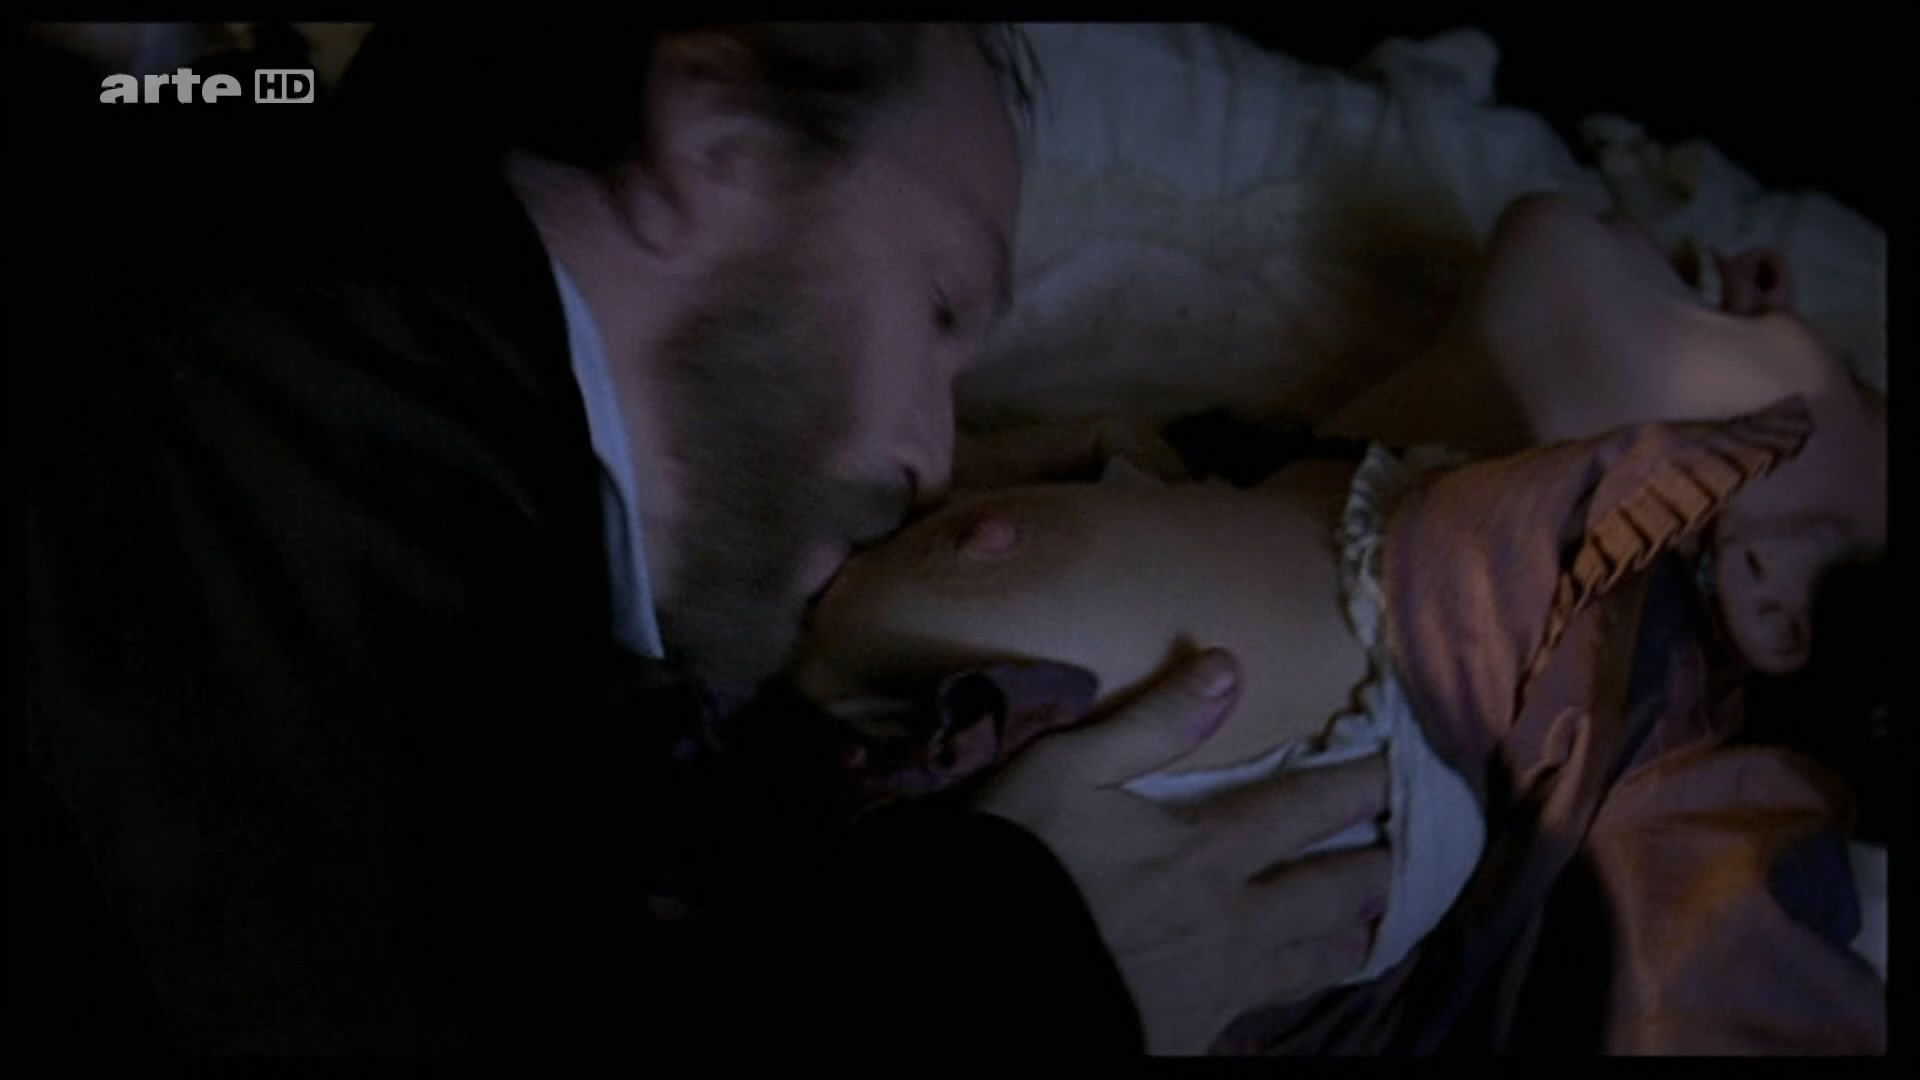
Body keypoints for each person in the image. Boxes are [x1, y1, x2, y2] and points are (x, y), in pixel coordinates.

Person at [18, 22, 1385, 1054]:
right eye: (939, 305)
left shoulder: (417, 429)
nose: (935, 452)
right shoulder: (268, 376)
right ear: (723, 140)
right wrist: (1016, 972)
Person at [791, 192, 1888, 1053]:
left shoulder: (1659, 755)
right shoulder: (1212, 469)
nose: (1765, 272)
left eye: (1850, 378)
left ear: (1770, 594)